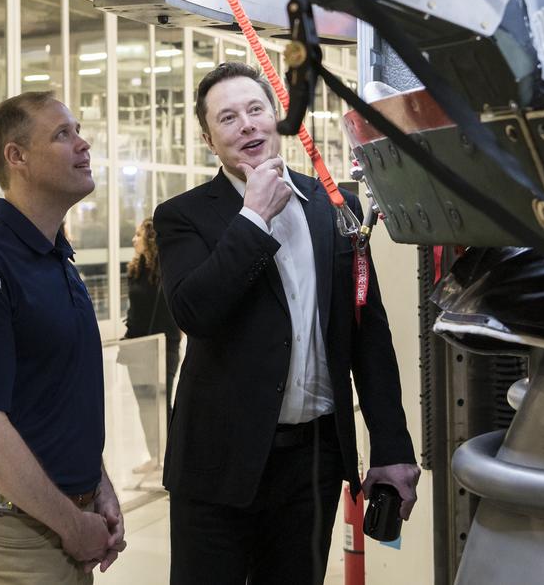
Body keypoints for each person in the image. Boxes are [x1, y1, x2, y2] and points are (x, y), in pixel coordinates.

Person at [153, 62, 420, 585]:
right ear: (209, 139)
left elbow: (368, 335)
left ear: (276, 118)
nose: (247, 125)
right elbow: (195, 312)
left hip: (311, 464)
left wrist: (391, 447)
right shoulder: (183, 216)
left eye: (255, 110)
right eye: (227, 118)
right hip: (217, 467)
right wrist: (253, 218)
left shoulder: (331, 204)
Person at [0, 91, 124, 583]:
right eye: (63, 134)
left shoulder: (57, 257)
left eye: (78, 130)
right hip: (16, 532)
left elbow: (53, 396)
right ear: (15, 156)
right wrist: (69, 523)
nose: (83, 144)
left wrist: (96, 485)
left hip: (62, 520)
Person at [122, 218, 181, 473]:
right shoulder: (134, 269)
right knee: (145, 404)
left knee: (161, 401)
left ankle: (172, 459)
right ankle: (155, 456)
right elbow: (135, 309)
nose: (134, 240)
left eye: (138, 235)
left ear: (150, 239)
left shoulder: (167, 270)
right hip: (136, 346)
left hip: (163, 346)